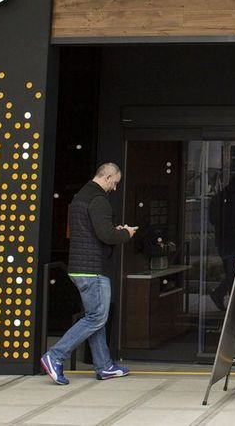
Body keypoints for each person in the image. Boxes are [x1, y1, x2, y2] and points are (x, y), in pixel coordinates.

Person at [41, 163, 136, 385]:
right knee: (96, 317)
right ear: (108, 177)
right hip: (92, 269)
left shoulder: (80, 197)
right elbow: (106, 235)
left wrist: (114, 231)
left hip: (80, 266)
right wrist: (126, 233)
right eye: (115, 183)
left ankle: (104, 366)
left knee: (96, 317)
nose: (115, 187)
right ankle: (55, 355)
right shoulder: (98, 199)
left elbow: (93, 231)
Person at [208, 174, 235, 310]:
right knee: (233, 273)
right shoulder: (224, 198)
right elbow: (214, 219)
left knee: (234, 273)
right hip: (228, 241)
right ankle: (234, 304)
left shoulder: (231, 197)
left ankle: (221, 295)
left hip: (232, 240)